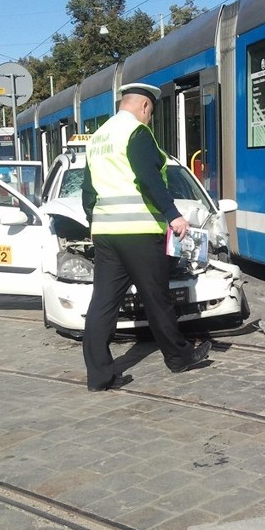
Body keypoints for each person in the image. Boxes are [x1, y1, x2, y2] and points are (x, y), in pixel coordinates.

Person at [81, 82, 212, 392]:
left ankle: (100, 376)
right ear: (143, 107)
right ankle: (179, 358)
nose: (149, 119)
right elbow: (149, 178)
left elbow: (88, 192)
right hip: (139, 231)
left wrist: (96, 221)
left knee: (102, 303)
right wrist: (173, 215)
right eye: (150, 113)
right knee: (157, 297)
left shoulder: (98, 138)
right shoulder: (136, 133)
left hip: (106, 233)